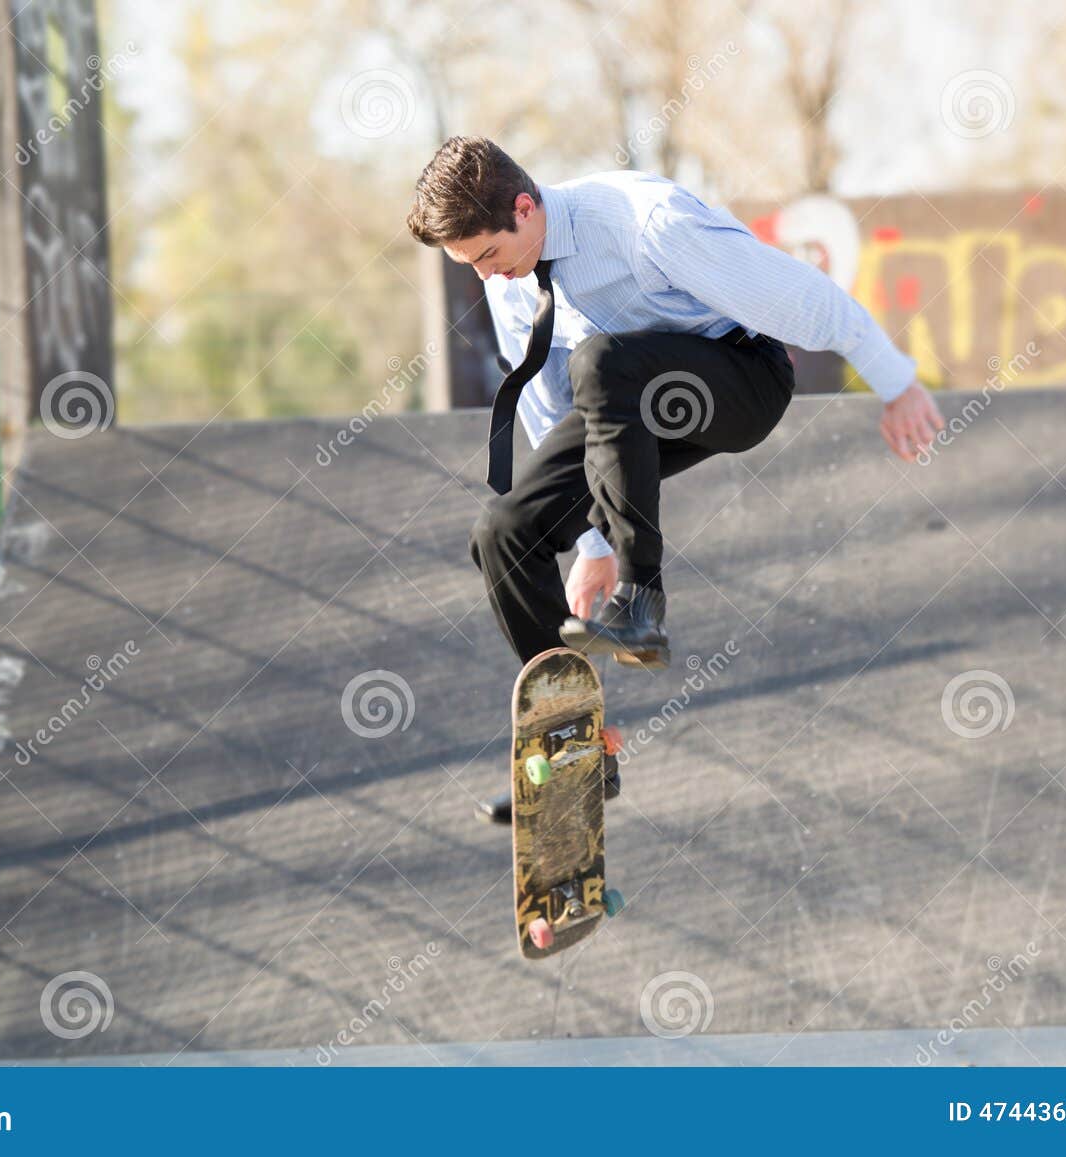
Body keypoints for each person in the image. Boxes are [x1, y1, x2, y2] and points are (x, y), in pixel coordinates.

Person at [405, 136, 945, 824]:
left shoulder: (645, 221)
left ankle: (643, 600)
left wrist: (895, 382)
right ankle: (575, 748)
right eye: (470, 266)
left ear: (524, 207)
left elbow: (798, 295)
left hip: (738, 381)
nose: (490, 277)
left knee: (600, 362)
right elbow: (548, 413)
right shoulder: (510, 284)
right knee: (502, 530)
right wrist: (592, 546)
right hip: (625, 413)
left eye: (488, 255)